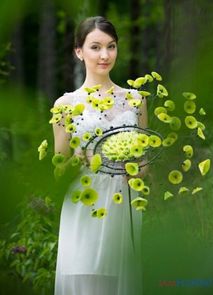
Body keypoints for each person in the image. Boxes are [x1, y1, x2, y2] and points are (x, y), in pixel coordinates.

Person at [53, 16, 147, 295]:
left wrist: (135, 168)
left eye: (111, 46)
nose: (105, 55)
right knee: (85, 280)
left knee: (121, 281)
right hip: (84, 205)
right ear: (79, 52)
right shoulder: (66, 105)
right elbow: (57, 172)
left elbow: (145, 166)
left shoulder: (136, 100)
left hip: (123, 206)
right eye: (95, 47)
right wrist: (80, 156)